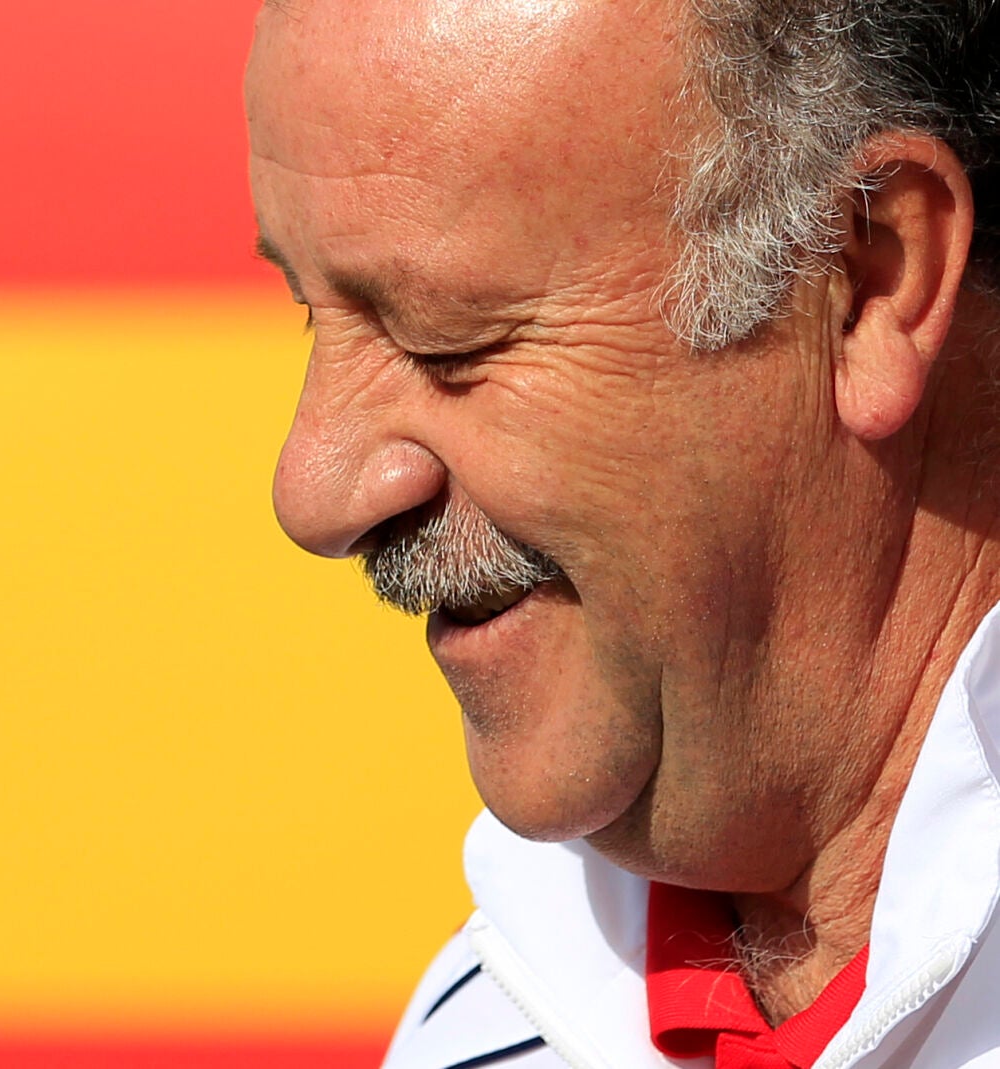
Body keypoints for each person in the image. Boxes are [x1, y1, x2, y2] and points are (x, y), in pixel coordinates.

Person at [246, 1, 1000, 1067]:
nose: (311, 492)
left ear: (867, 280)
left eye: (448, 336)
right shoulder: (491, 1014)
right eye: (310, 312)